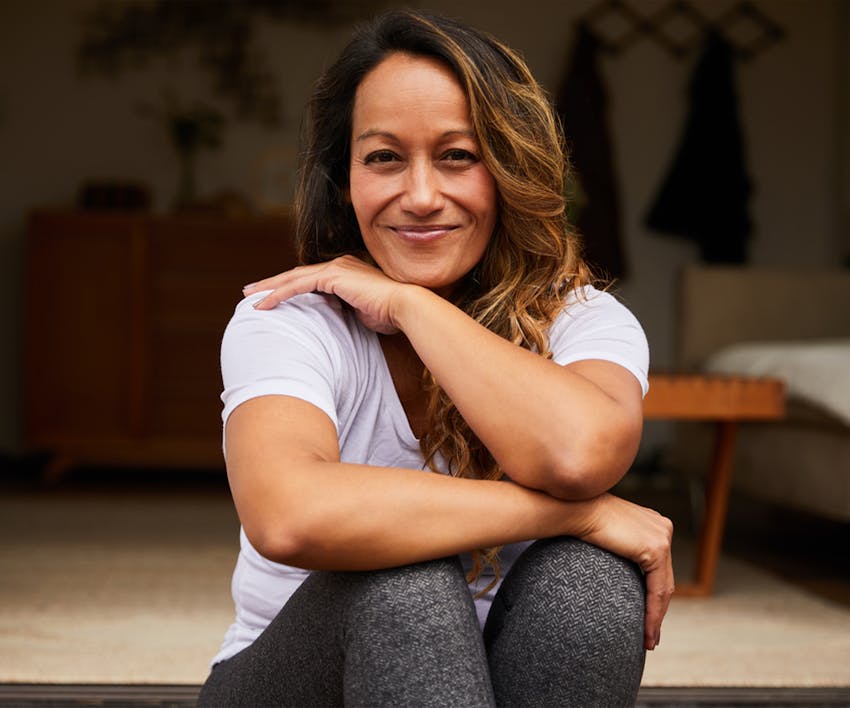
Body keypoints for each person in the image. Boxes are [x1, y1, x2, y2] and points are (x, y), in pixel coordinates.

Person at [198, 9, 674, 707]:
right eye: (384, 157)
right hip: (291, 689)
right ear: (345, 180)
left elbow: (578, 455)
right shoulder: (288, 319)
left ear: (508, 171)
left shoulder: (583, 320)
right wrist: (571, 514)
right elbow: (288, 514)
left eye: (458, 155)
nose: (420, 197)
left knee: (594, 579)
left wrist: (414, 307)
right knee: (403, 581)